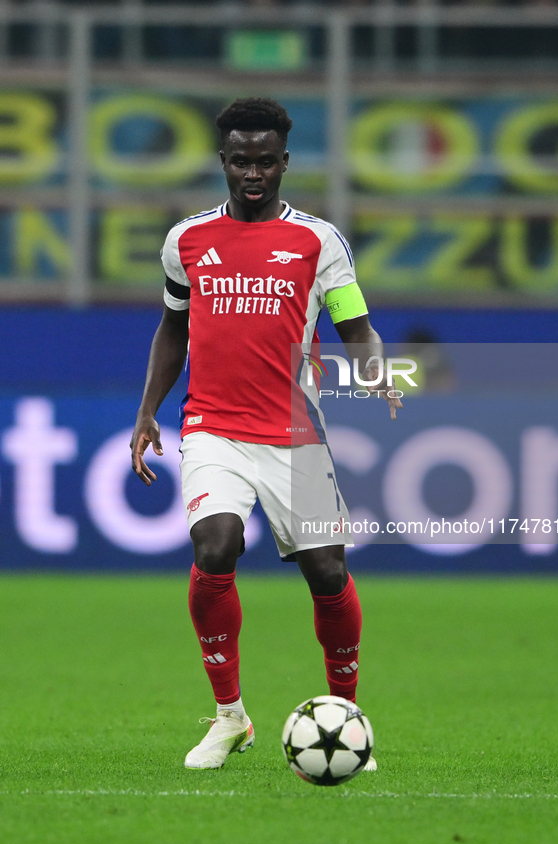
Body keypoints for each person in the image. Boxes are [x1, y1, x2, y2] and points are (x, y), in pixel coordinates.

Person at [130, 97, 400, 772]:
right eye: (240, 161)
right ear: (223, 162)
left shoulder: (317, 241)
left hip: (293, 434)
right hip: (212, 427)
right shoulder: (186, 240)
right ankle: (229, 718)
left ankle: (347, 714)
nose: (253, 173)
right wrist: (146, 413)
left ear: (284, 162)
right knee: (214, 545)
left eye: (265, 162)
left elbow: (353, 323)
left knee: (326, 569)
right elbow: (172, 328)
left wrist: (376, 370)